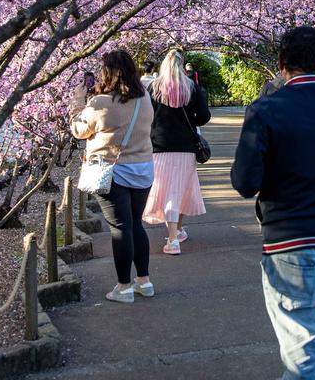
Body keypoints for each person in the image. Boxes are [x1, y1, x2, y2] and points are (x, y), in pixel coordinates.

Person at [231, 26, 315, 380]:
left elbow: (244, 182)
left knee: (302, 357)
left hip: (291, 241)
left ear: (281, 63)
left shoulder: (266, 109)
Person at [70, 50, 156, 303]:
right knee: (136, 225)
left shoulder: (101, 103)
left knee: (120, 228)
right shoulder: (145, 99)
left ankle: (123, 286)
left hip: (112, 171)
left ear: (107, 72)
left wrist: (78, 103)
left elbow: (79, 130)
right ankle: (144, 281)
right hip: (142, 168)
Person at [144, 49, 211, 255]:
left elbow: (147, 116)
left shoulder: (153, 88)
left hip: (159, 146)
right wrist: (190, 120)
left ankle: (173, 238)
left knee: (167, 190)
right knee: (179, 189)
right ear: (182, 66)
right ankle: (176, 232)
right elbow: (204, 116)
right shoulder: (192, 87)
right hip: (185, 146)